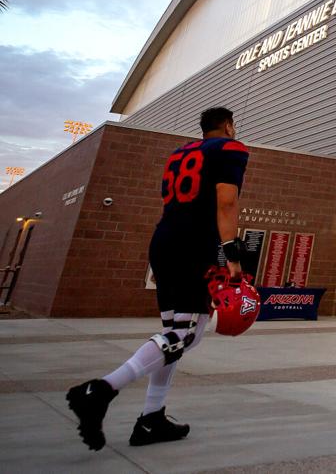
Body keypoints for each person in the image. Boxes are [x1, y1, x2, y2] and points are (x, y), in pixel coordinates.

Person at [66, 107, 250, 450]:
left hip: (164, 241)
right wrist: (233, 259)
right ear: (227, 125)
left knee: (173, 334)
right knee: (187, 336)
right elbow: (226, 204)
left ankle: (151, 418)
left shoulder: (179, 153)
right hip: (194, 247)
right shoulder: (231, 149)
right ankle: (100, 390)